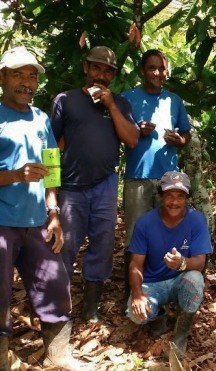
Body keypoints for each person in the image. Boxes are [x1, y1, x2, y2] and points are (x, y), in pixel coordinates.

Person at [0, 46, 83, 371]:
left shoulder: (41, 119)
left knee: (54, 284)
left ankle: (58, 354)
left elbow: (52, 169)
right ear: (2, 77)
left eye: (32, 76)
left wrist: (54, 213)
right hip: (3, 223)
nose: (26, 82)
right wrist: (15, 175)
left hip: (37, 221)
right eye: (18, 74)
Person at [50, 46, 139, 321]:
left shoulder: (121, 103)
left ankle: (91, 308)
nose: (102, 74)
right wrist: (50, 196)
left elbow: (132, 140)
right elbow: (50, 149)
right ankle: (58, 309)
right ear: (86, 68)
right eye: (97, 68)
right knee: (65, 246)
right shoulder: (65, 100)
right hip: (70, 187)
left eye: (108, 71)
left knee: (102, 244)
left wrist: (111, 105)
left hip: (105, 184)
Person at [121, 49, 191, 306]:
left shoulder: (174, 100)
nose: (157, 73)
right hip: (137, 177)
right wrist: (136, 130)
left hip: (167, 180)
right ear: (142, 71)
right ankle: (132, 293)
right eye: (151, 68)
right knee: (135, 236)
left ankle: (161, 291)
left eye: (161, 69)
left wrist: (179, 140)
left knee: (165, 234)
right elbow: (120, 133)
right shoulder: (128, 99)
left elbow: (186, 135)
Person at [126, 171, 212, 359]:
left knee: (195, 280)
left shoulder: (196, 219)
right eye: (169, 196)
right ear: (161, 196)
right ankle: (160, 316)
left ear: (187, 198)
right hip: (153, 282)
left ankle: (181, 336)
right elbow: (135, 263)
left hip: (180, 279)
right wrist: (138, 294)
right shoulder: (145, 222)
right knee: (136, 315)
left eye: (180, 196)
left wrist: (182, 264)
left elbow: (199, 262)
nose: (174, 202)